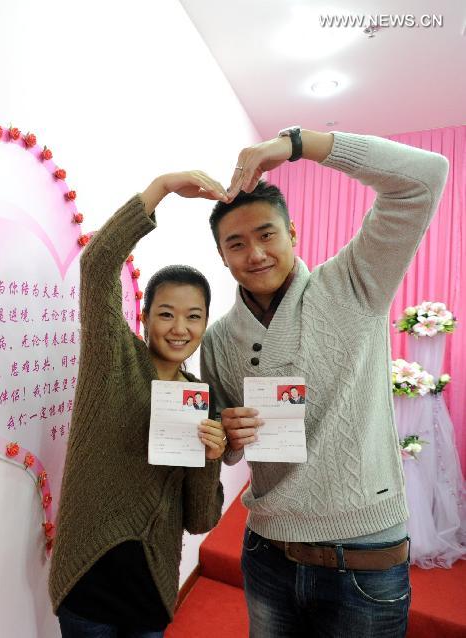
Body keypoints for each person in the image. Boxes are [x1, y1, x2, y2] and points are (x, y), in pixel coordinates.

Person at [200, 128, 449, 637]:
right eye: (236, 244)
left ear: (293, 235)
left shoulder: (356, 282)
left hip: (366, 557)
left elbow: (424, 179)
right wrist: (226, 431)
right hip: (266, 551)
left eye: (267, 234)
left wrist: (296, 144)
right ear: (223, 257)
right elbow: (223, 446)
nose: (255, 254)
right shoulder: (220, 338)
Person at [49, 171, 228, 637]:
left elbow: (200, 520)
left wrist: (211, 459)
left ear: (206, 323)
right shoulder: (114, 359)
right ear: (144, 316)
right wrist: (161, 189)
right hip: (86, 575)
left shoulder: (200, 401)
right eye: (166, 313)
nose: (179, 328)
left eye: (194, 317)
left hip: (151, 584)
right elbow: (99, 263)